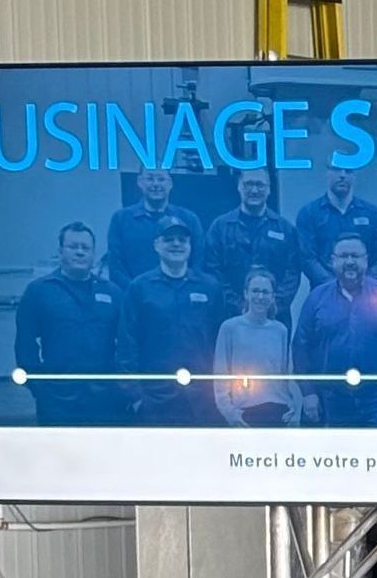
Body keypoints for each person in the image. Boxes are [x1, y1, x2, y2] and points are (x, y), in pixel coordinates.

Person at [291, 234, 377, 427]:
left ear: (366, 259)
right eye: (343, 256)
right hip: (331, 401)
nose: (349, 262)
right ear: (332, 261)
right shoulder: (316, 299)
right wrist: (308, 392)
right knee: (337, 456)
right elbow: (300, 347)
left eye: (355, 256)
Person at [115, 214, 225, 424]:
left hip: (203, 399)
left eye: (182, 239)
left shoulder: (210, 287)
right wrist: (135, 396)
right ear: (156, 245)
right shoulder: (139, 288)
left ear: (190, 245)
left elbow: (219, 343)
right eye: (169, 239)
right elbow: (127, 344)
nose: (176, 244)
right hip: (155, 399)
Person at [13, 222, 122, 424]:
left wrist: (119, 386)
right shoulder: (39, 291)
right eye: (73, 247)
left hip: (105, 400)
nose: (80, 253)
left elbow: (125, 342)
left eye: (86, 248)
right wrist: (39, 387)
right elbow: (25, 343)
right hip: (56, 399)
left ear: (93, 253)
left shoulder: (112, 292)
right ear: (60, 251)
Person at [203, 167, 302, 317]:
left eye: (260, 185)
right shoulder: (220, 228)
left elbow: (293, 272)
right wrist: (239, 305)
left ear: (269, 189)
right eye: (248, 184)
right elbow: (212, 272)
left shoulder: (286, 229)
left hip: (275, 317)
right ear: (239, 186)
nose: (254, 190)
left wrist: (273, 305)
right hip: (230, 315)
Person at [213, 269, 301, 427]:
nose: (260, 297)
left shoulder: (280, 330)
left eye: (265, 292)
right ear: (246, 294)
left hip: (279, 411)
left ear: (273, 297)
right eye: (255, 291)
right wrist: (229, 412)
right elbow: (220, 375)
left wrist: (294, 407)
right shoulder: (229, 328)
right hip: (244, 413)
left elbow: (286, 375)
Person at [104, 168, 202, 288]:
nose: (156, 184)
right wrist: (138, 293)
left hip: (181, 297)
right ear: (139, 182)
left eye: (161, 179)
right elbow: (116, 267)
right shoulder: (121, 219)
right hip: (135, 299)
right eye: (150, 179)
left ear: (170, 183)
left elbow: (198, 262)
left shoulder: (188, 219)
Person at [297, 165, 377, 288]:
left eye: (348, 170)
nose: (342, 175)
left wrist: (364, 285)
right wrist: (333, 287)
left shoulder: (373, 214)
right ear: (327, 174)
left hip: (368, 297)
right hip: (323, 295)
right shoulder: (309, 214)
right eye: (336, 170)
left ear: (354, 176)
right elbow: (307, 259)